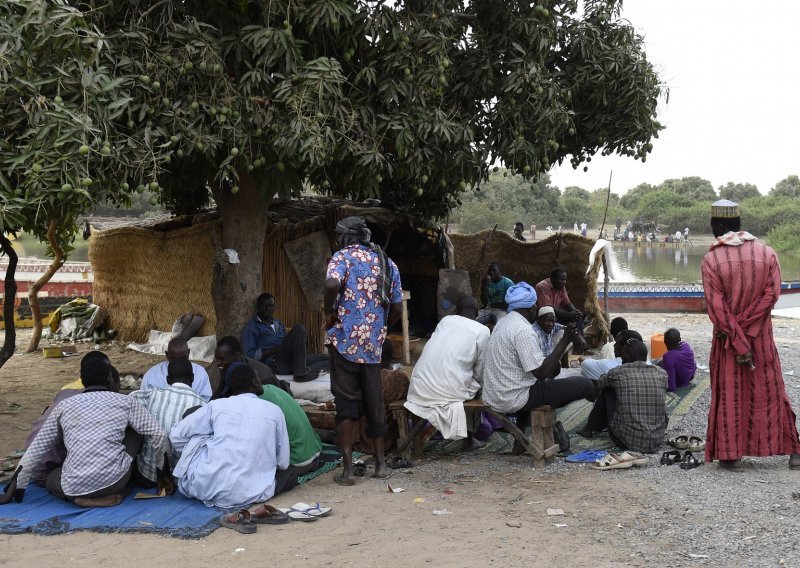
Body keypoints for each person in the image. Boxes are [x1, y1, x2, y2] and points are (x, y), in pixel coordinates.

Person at [702, 199, 800, 472]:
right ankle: (794, 451)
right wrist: (748, 329)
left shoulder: (712, 259)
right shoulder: (768, 254)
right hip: (762, 339)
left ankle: (731, 455)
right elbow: (772, 296)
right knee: (771, 391)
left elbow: (718, 310)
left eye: (712, 226)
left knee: (731, 393)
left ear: (719, 226)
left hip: (728, 342)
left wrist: (737, 336)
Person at [13, 354, 168, 507]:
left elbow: (36, 450)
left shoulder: (64, 405)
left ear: (82, 381)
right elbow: (159, 435)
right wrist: (162, 473)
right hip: (114, 482)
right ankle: (112, 490)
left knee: (52, 479)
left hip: (74, 487)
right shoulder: (126, 402)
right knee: (136, 429)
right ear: (110, 378)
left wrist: (16, 490)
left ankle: (76, 500)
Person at [324, 216, 403, 485]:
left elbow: (332, 285)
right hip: (372, 346)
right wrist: (379, 326)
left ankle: (347, 471)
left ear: (345, 237)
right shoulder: (386, 263)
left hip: (344, 342)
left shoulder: (341, 258)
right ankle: (380, 466)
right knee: (374, 402)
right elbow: (398, 308)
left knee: (346, 404)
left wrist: (330, 312)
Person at [482, 283, 595, 447]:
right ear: (530, 308)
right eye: (535, 306)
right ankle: (593, 424)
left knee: (544, 382)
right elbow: (540, 373)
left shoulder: (503, 322)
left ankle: (520, 443)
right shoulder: (523, 330)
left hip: (495, 393)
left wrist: (554, 363)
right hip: (513, 397)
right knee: (585, 384)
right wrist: (565, 340)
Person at [170, 364, 293, 509]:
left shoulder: (216, 406)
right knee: (290, 474)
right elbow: (283, 462)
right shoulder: (274, 411)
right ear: (254, 382)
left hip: (203, 487)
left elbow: (176, 436)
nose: (261, 382)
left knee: (198, 434)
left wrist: (196, 450)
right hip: (251, 493)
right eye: (259, 379)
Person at [405, 296, 491, 450]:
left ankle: (416, 443)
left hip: (418, 387)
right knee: (478, 386)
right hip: (449, 391)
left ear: (456, 311)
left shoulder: (445, 321)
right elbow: (480, 369)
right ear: (477, 312)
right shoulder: (482, 330)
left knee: (467, 381)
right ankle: (470, 439)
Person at [24, 352, 119, 486]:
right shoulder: (98, 406)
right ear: (109, 382)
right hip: (45, 471)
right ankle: (79, 496)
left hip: (30, 464)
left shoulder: (65, 392)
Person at [576, 339, 667, 453]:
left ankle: (589, 428)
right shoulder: (661, 373)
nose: (621, 358)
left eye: (623, 356)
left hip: (626, 440)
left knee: (607, 390)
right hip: (657, 439)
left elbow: (600, 383)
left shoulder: (618, 373)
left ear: (628, 357)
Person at [130, 359, 208, 487]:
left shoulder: (151, 395)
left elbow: (129, 400)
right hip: (182, 481)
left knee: (134, 421)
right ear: (193, 378)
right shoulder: (204, 406)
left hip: (147, 476)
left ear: (168, 379)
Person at [242, 293, 328, 382]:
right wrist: (277, 349)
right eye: (264, 305)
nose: (267, 309)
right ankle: (300, 374)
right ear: (258, 306)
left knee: (329, 358)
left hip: (290, 361)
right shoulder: (252, 327)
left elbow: (287, 346)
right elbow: (250, 355)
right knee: (299, 328)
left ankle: (308, 369)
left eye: (270, 306)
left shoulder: (278, 323)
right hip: (275, 364)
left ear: (274, 307)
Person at [256, 365, 323, 476]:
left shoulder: (258, 400)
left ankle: (299, 470)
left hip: (298, 459)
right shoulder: (274, 390)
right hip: (315, 449)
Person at [209, 336, 288, 399]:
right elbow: (220, 391)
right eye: (217, 358)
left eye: (222, 358)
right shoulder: (227, 367)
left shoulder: (264, 376)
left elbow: (273, 400)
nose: (218, 363)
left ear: (237, 355)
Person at [141, 338, 212, 401]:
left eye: (183, 358)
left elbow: (206, 400)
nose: (179, 363)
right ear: (167, 355)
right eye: (174, 359)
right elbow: (143, 401)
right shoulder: (151, 375)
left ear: (188, 352)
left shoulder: (200, 373)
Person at [535, 268, 583, 333]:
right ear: (553, 279)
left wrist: (575, 311)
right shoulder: (542, 286)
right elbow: (549, 308)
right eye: (562, 279)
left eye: (565, 280)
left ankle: (579, 339)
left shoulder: (561, 286)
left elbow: (567, 303)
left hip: (556, 314)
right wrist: (569, 315)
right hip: (545, 315)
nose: (564, 282)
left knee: (577, 318)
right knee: (557, 318)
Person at [659, 328, 697, 392]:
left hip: (679, 382)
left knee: (659, 365)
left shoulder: (668, 356)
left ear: (665, 341)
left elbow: (671, 387)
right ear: (679, 340)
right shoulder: (686, 345)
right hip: (690, 377)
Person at [478, 261, 514, 326]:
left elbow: (509, 303)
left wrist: (492, 305)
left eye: (494, 270)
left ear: (500, 271)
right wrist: (484, 285)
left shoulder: (508, 283)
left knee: (500, 325)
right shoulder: (487, 282)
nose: (492, 273)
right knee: (474, 321)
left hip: (502, 310)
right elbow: (484, 302)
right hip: (488, 309)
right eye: (490, 271)